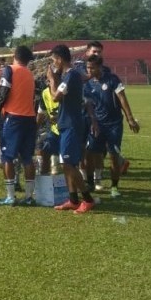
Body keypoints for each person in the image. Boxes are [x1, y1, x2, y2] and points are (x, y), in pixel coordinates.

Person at [47, 44, 99, 214]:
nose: (53, 63)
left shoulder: (70, 76)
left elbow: (55, 97)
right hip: (65, 124)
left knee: (69, 164)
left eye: (54, 59)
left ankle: (88, 199)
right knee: (66, 164)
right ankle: (73, 199)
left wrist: (52, 80)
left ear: (60, 59)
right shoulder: (69, 76)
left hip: (71, 125)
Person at [83, 55, 140, 198]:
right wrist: (93, 121)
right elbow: (89, 104)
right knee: (89, 154)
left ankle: (114, 187)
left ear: (100, 67)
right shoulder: (87, 84)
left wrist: (130, 118)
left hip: (114, 124)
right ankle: (90, 183)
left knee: (113, 156)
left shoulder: (112, 79)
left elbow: (122, 98)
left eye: (92, 67)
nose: (89, 70)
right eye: (87, 67)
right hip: (97, 124)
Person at [0, 46, 37, 206]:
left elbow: (3, 92)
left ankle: (11, 197)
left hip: (13, 118)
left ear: (14, 56)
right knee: (27, 158)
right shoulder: (29, 73)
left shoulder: (9, 70)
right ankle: (28, 197)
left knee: (7, 157)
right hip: (30, 118)